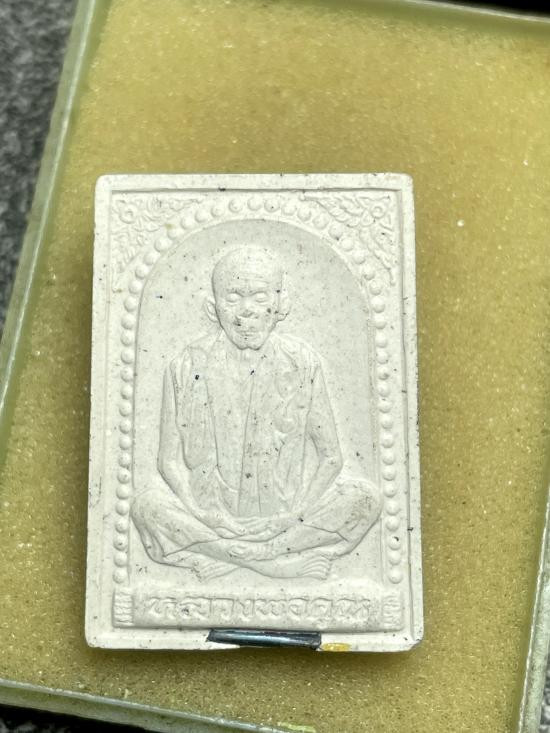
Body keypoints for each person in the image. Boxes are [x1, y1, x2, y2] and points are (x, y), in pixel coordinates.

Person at [131, 246, 381, 579]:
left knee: (364, 499)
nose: (246, 311)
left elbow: (331, 458)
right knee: (146, 506)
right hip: (211, 521)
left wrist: (293, 516)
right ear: (213, 308)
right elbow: (168, 461)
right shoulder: (186, 366)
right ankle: (274, 563)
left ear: (281, 305)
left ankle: (237, 557)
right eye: (233, 298)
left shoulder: (302, 363)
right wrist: (201, 513)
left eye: (260, 297)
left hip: (286, 522)